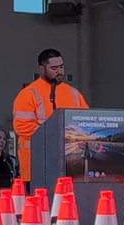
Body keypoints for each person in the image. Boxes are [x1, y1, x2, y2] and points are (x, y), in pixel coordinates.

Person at [12, 48, 89, 181]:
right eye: (54, 68)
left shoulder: (73, 93)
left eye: (61, 67)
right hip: (36, 164)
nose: (59, 72)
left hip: (69, 164)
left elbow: (86, 122)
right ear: (42, 69)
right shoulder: (29, 93)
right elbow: (21, 126)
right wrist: (54, 133)